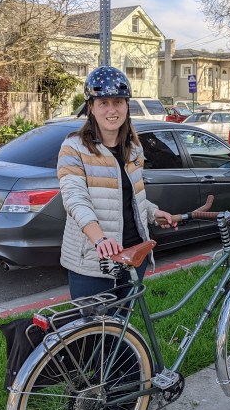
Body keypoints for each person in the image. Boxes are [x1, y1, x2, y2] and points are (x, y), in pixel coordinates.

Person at [57, 66, 175, 300]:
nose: (112, 110)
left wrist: (152, 212)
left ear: (126, 105)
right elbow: (74, 198)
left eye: (118, 102)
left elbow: (130, 195)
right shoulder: (73, 148)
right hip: (94, 259)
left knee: (122, 328)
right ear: (91, 107)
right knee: (93, 331)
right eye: (103, 103)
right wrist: (99, 238)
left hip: (133, 254)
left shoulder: (133, 148)